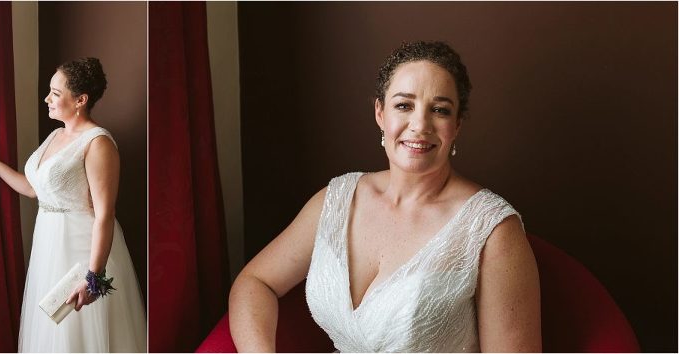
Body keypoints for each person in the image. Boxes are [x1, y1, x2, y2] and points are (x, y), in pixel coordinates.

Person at [228, 41, 541, 352]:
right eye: (404, 105)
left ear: (456, 125)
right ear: (380, 112)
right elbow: (255, 282)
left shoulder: (493, 231)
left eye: (440, 110)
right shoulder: (337, 200)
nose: (420, 125)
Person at [0, 57, 146, 352]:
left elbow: (105, 214)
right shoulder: (57, 134)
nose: (47, 99)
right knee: (54, 332)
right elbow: (33, 189)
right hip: (49, 244)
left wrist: (94, 278)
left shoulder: (98, 143)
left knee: (80, 333)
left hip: (81, 249)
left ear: (80, 100)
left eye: (56, 93)